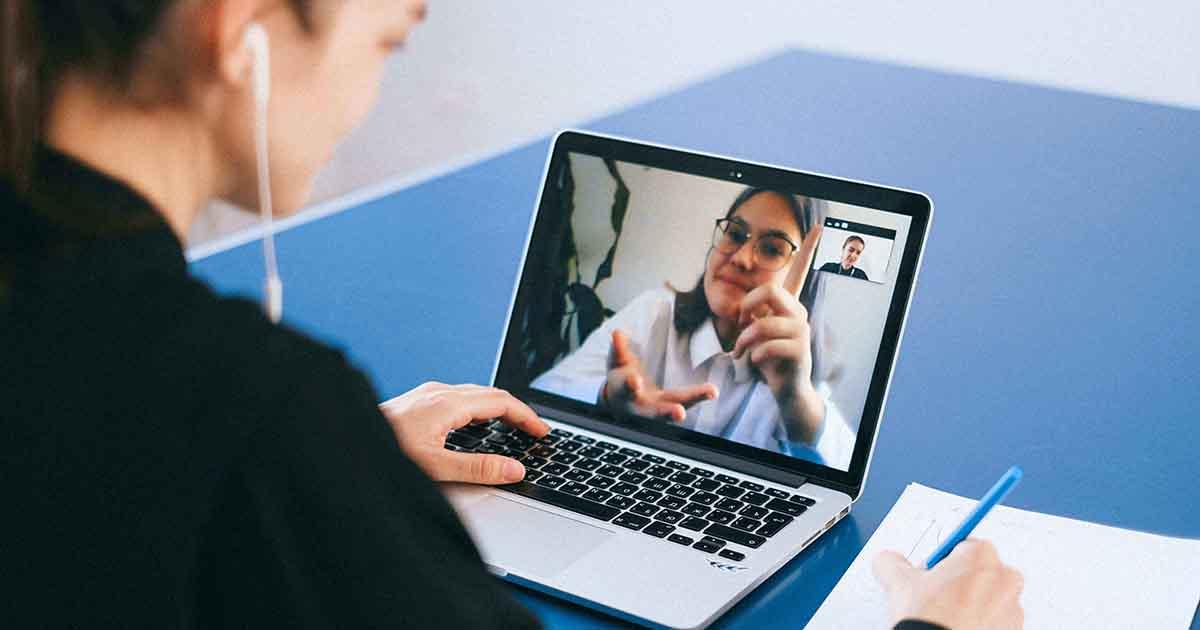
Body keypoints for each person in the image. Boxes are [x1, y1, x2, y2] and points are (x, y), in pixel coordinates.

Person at [0, 1, 1022, 628]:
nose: (369, 95)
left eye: (773, 246)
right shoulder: (267, 418)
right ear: (243, 32)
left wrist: (353, 457)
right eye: (388, 41)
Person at [534, 187, 857, 469]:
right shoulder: (654, 312)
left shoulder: (798, 371)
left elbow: (848, 477)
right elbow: (543, 392)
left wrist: (796, 398)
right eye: (735, 234)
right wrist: (606, 397)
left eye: (772, 249)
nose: (741, 258)